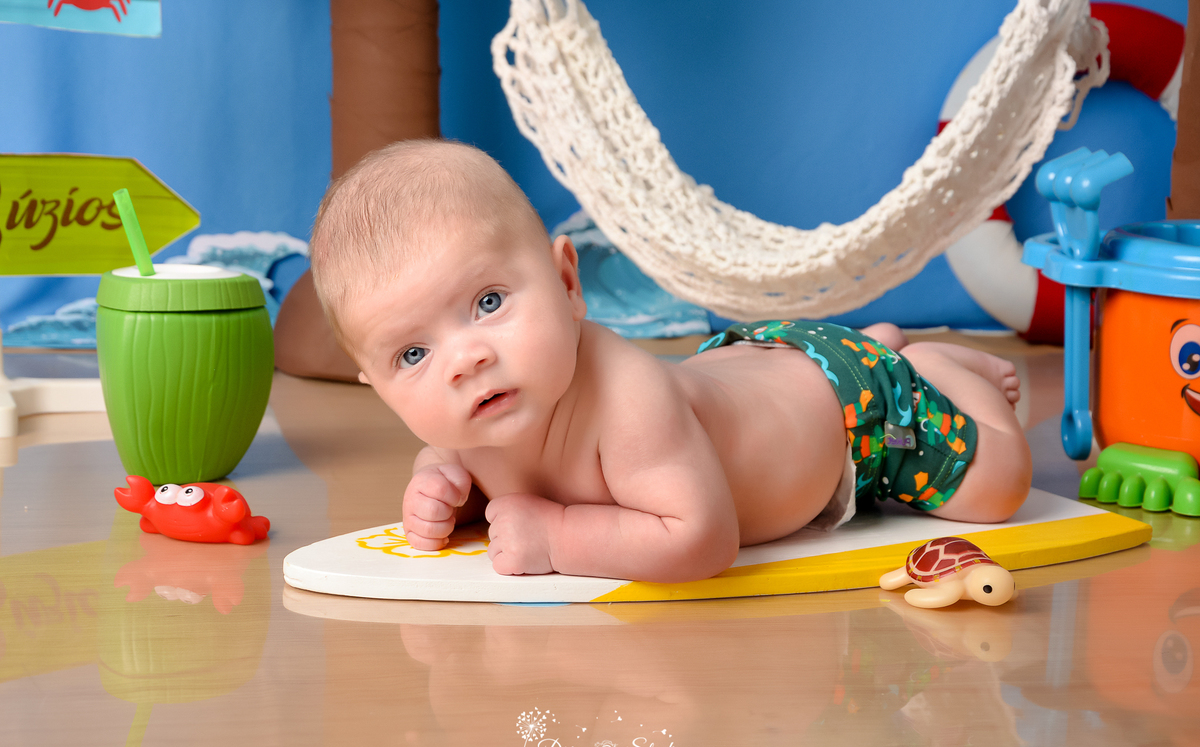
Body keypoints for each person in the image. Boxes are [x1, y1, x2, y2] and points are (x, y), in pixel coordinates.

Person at [308, 139, 1032, 583]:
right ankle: (878, 339)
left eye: (489, 302)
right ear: (378, 387)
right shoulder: (472, 421)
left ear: (567, 284)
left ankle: (936, 369)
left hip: (849, 413)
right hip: (753, 365)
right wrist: (447, 493)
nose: (464, 360)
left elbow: (702, 537)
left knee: (995, 488)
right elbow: (477, 470)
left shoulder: (629, 401)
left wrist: (559, 538)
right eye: (412, 353)